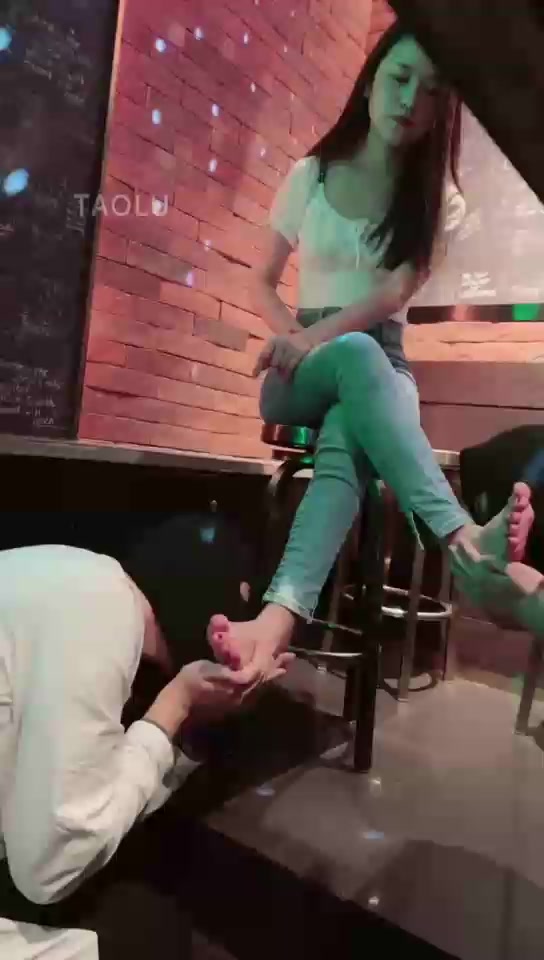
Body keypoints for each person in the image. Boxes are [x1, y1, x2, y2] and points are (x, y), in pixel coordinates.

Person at [207, 22, 543, 681]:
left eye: (432, 90)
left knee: (350, 432)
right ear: (369, 83)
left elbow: (393, 295)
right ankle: (463, 540)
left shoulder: (441, 203)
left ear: (444, 111)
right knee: (358, 363)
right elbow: (260, 279)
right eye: (399, 77)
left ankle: (274, 622)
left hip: (382, 364)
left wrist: (316, 339)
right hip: (305, 367)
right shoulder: (312, 174)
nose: (411, 99)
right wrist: (295, 339)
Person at [0, 512, 290, 959]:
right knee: (148, 933)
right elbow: (51, 866)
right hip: (33, 866)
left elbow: (87, 799)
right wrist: (175, 706)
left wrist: (181, 729)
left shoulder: (72, 575)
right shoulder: (101, 612)